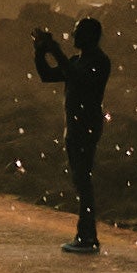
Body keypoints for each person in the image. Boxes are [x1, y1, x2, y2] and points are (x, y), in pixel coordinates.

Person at [29, 14, 111, 255]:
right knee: (80, 180)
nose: (73, 36)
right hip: (75, 127)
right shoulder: (78, 60)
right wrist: (40, 52)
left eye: (78, 32)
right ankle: (86, 235)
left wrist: (55, 50)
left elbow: (78, 78)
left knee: (82, 180)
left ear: (90, 37)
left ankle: (87, 237)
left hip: (86, 127)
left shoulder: (99, 62)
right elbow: (47, 76)